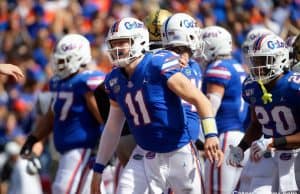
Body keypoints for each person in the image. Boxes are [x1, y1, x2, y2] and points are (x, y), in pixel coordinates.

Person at [91, 17, 223, 194]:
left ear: (139, 41)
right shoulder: (114, 79)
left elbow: (201, 100)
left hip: (179, 150)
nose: (116, 48)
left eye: (122, 42)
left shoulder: (158, 64)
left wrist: (211, 135)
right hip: (146, 153)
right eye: (113, 43)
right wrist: (98, 168)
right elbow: (113, 127)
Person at [19, 34, 106, 194]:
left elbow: (104, 116)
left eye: (63, 60)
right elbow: (52, 114)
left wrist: (108, 145)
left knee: (63, 189)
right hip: (68, 150)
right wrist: (34, 138)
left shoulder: (86, 81)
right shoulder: (60, 83)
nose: (59, 65)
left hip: (83, 149)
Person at [228, 34, 300, 193]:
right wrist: (241, 147)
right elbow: (256, 124)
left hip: (296, 157)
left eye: (263, 61)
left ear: (279, 59)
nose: (257, 67)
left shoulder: (294, 87)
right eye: (255, 61)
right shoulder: (252, 87)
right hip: (269, 154)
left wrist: (274, 142)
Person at [199, 25, 249, 194]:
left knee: (216, 191)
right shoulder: (236, 65)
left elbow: (210, 107)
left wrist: (202, 136)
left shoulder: (218, 67)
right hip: (240, 138)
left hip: (224, 138)